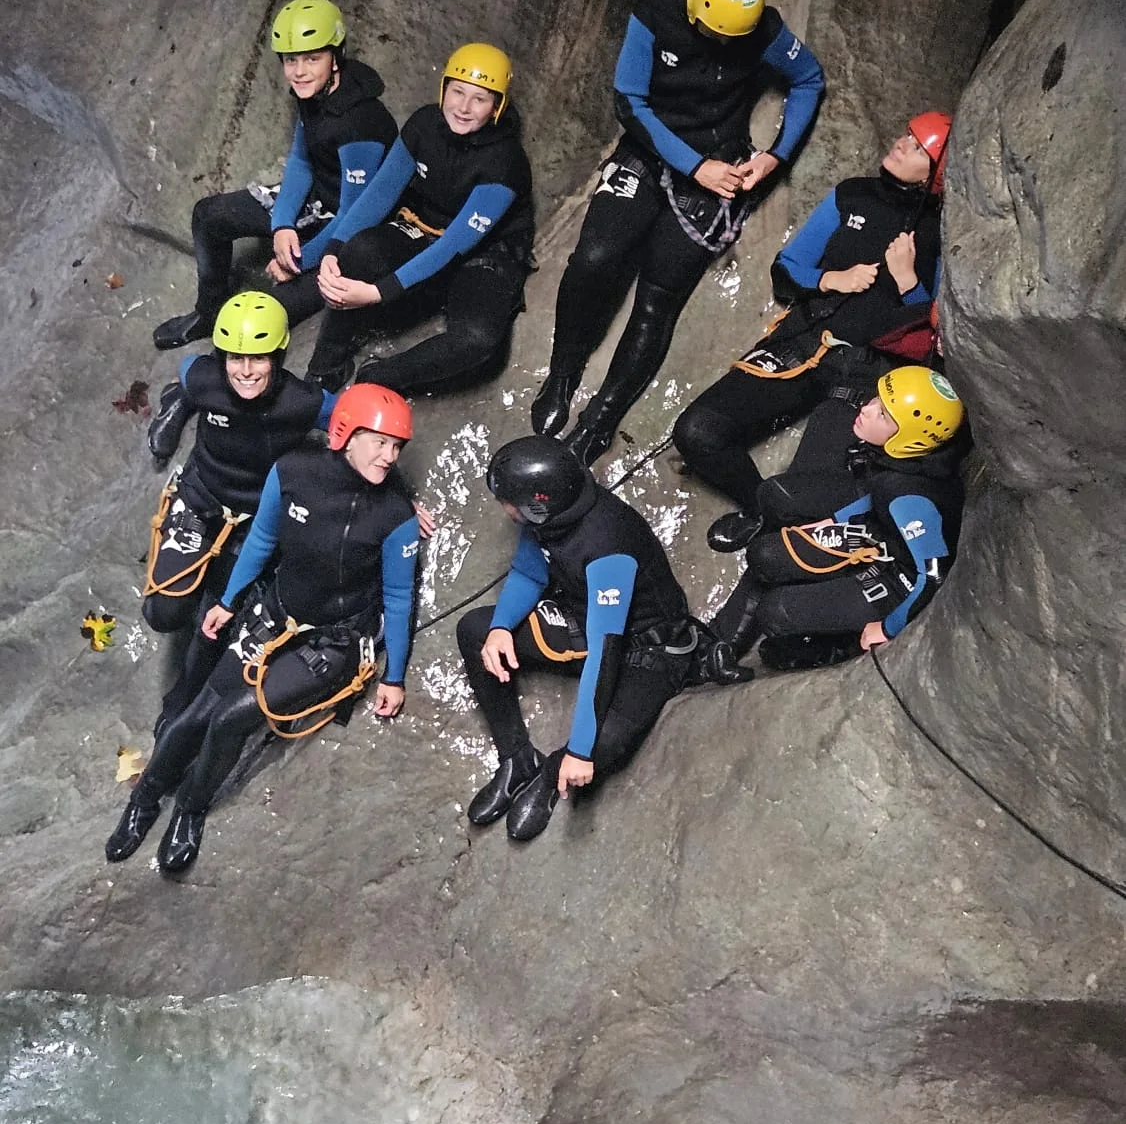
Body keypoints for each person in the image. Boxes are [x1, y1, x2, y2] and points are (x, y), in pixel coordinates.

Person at [106, 384, 420, 876]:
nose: (390, 455)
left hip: (332, 643)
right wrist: (228, 602)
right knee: (198, 711)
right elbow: (261, 540)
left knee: (231, 717)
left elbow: (400, 598)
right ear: (345, 433)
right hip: (274, 613)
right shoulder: (293, 472)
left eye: (397, 446)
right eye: (380, 442)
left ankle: (190, 808)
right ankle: (143, 799)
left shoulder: (395, 515)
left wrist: (394, 676)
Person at [529, 0, 825, 466]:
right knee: (594, 258)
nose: (725, 44)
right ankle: (563, 372)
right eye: (717, 33)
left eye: (736, 37)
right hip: (651, 150)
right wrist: (693, 165)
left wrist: (775, 156)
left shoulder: (762, 28)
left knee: (658, 298)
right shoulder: (656, 14)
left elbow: (809, 79)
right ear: (695, 5)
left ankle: (600, 419)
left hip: (719, 164)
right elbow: (629, 100)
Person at [673, 111, 951, 551]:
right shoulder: (853, 195)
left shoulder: (939, 232)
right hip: (806, 342)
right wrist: (830, 280)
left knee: (808, 494)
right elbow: (786, 269)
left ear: (934, 175)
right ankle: (761, 511)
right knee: (696, 432)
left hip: (870, 374)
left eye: (918, 148)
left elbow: (931, 340)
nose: (901, 144)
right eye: (906, 136)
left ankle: (781, 525)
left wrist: (908, 282)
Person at [456, 437, 703, 844]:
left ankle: (552, 770)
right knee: (474, 629)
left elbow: (605, 651)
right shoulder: (547, 516)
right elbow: (529, 573)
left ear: (537, 505)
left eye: (507, 502)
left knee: (608, 742)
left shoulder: (608, 545)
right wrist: (500, 628)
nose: (504, 510)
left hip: (648, 648)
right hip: (582, 616)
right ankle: (517, 758)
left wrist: (580, 751)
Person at [152, 0, 398, 350]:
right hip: (321, 201)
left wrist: (297, 260)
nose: (299, 71)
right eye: (290, 59)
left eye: (312, 58)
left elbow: (355, 214)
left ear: (336, 56)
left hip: (354, 229)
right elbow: (301, 160)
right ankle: (207, 312)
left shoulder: (360, 122)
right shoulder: (314, 91)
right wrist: (282, 223)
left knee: (261, 316)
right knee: (208, 215)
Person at [699, 366, 966, 679]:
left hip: (897, 580)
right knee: (765, 555)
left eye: (882, 414)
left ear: (907, 439)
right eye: (876, 400)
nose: (866, 408)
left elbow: (933, 576)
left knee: (775, 613)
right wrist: (833, 521)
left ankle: (838, 645)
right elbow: (878, 496)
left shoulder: (909, 498)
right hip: (877, 535)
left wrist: (886, 628)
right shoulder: (903, 466)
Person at [143, 291, 335, 724]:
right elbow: (187, 369)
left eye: (259, 359)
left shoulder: (303, 402)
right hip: (202, 498)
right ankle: (176, 406)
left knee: (221, 617)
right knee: (164, 613)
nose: (246, 371)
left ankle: (185, 696)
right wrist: (184, 398)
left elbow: (353, 426)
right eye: (235, 358)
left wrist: (393, 491)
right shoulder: (203, 379)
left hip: (256, 521)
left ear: (278, 357)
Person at [302, 43, 535, 394]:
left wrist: (378, 293)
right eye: (457, 92)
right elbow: (379, 194)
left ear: (496, 107)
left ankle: (377, 378)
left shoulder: (505, 162)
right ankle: (326, 368)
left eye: (480, 99)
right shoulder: (425, 124)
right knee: (358, 251)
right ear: (443, 89)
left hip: (482, 252)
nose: (464, 108)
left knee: (476, 339)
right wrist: (333, 249)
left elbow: (454, 246)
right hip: (424, 227)